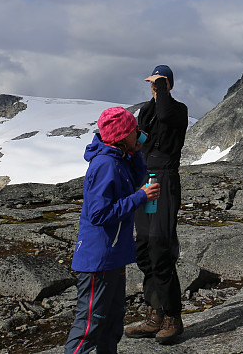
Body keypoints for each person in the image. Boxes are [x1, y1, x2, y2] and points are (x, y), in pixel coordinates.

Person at [64, 107, 160, 354]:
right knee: (89, 326)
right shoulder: (105, 164)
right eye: (133, 131)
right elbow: (98, 214)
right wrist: (140, 197)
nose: (138, 133)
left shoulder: (119, 157)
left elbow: (138, 176)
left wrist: (137, 150)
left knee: (111, 323)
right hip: (99, 258)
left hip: (113, 255)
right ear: (120, 135)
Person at [125, 65, 189, 344]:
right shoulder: (148, 111)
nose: (154, 86)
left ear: (168, 85)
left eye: (159, 83)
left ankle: (173, 317)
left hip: (164, 181)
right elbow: (140, 137)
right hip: (146, 181)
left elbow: (164, 113)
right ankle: (155, 314)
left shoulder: (178, 109)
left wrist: (162, 85)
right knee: (145, 248)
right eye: (152, 82)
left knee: (161, 247)